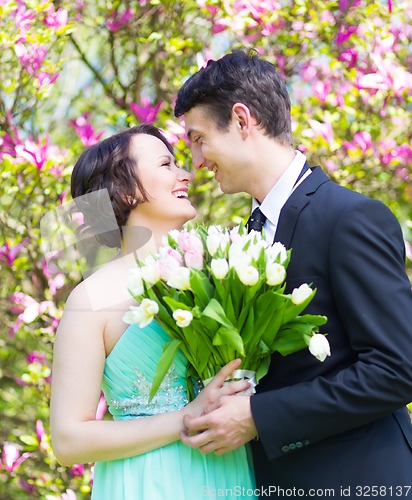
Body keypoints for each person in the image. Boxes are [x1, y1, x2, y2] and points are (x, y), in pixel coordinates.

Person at [174, 49, 412, 496]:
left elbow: (398, 369)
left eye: (198, 138)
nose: (196, 161)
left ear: (242, 121)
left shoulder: (350, 218)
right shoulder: (246, 234)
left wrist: (256, 416)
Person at [49, 124, 257, 499]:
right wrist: (186, 416)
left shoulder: (218, 275)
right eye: (166, 165)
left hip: (230, 471)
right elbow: (68, 440)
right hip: (151, 481)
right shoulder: (91, 299)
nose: (186, 175)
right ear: (125, 190)